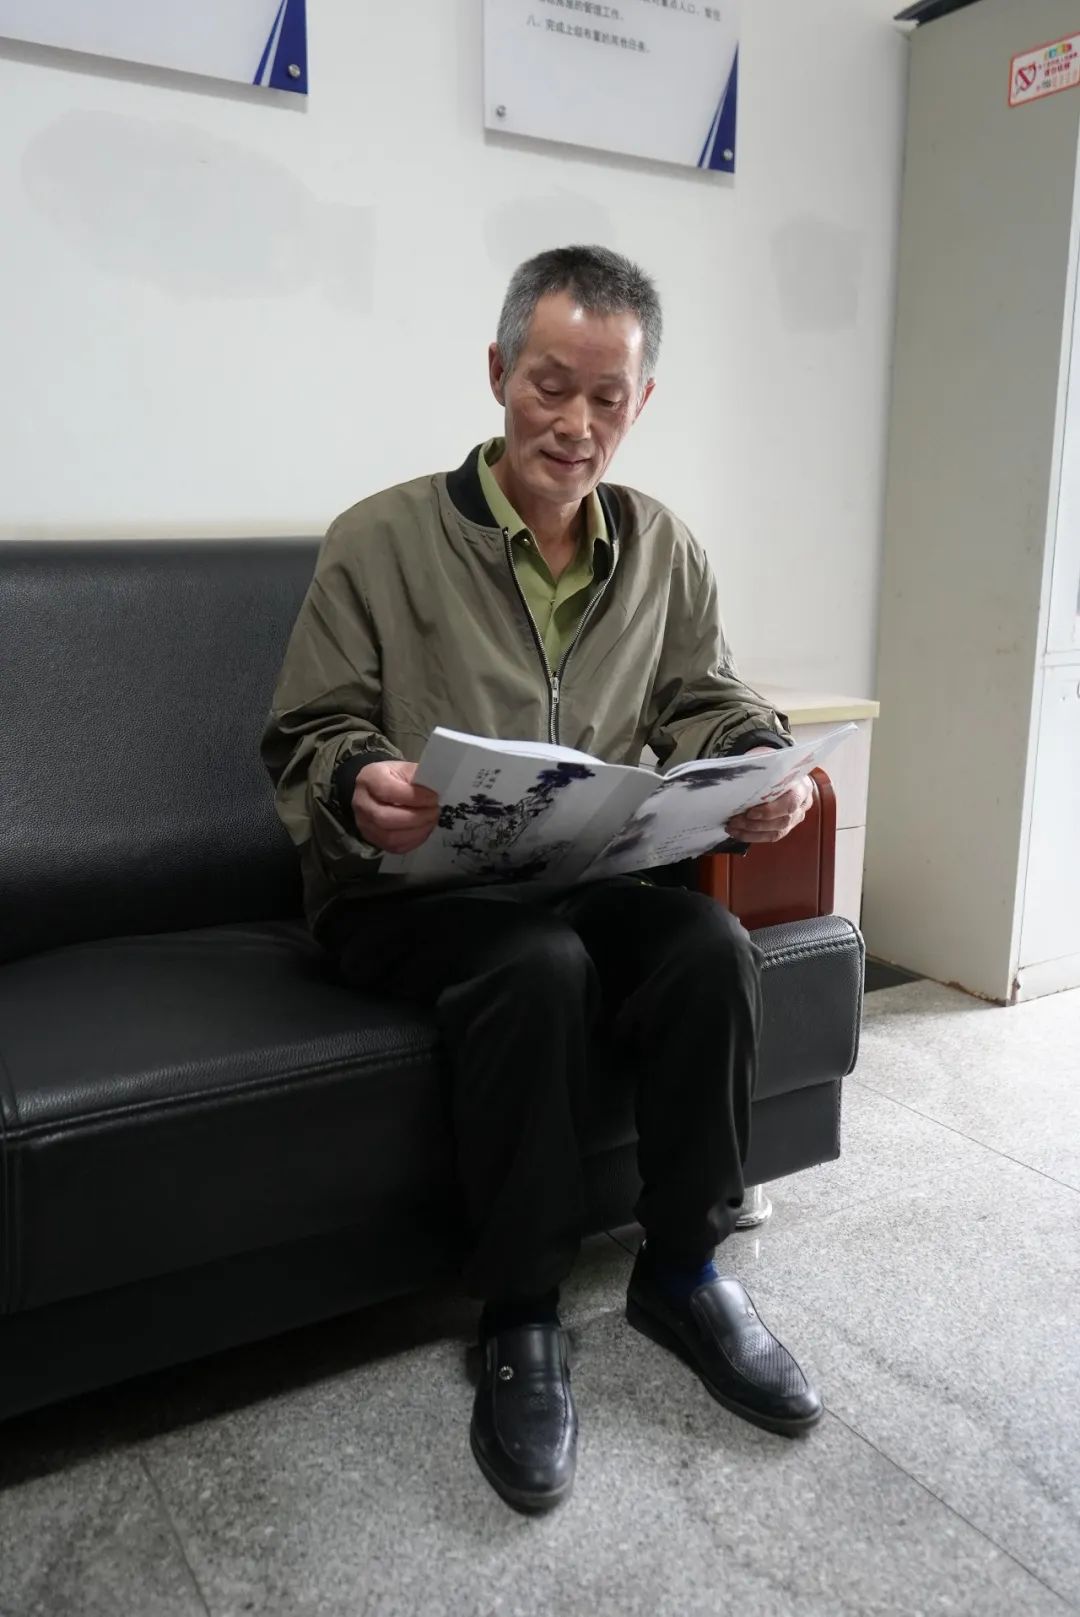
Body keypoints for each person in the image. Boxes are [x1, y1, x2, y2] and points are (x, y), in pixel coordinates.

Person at [262, 245, 822, 1514]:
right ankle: (520, 1314)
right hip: (405, 895)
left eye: (606, 399)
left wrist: (759, 766)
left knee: (706, 947)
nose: (575, 426)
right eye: (550, 386)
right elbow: (308, 731)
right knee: (538, 964)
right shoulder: (380, 539)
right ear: (499, 371)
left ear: (641, 402)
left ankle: (685, 1272)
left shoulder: (661, 546)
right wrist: (359, 780)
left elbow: (706, 697)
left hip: (572, 872)